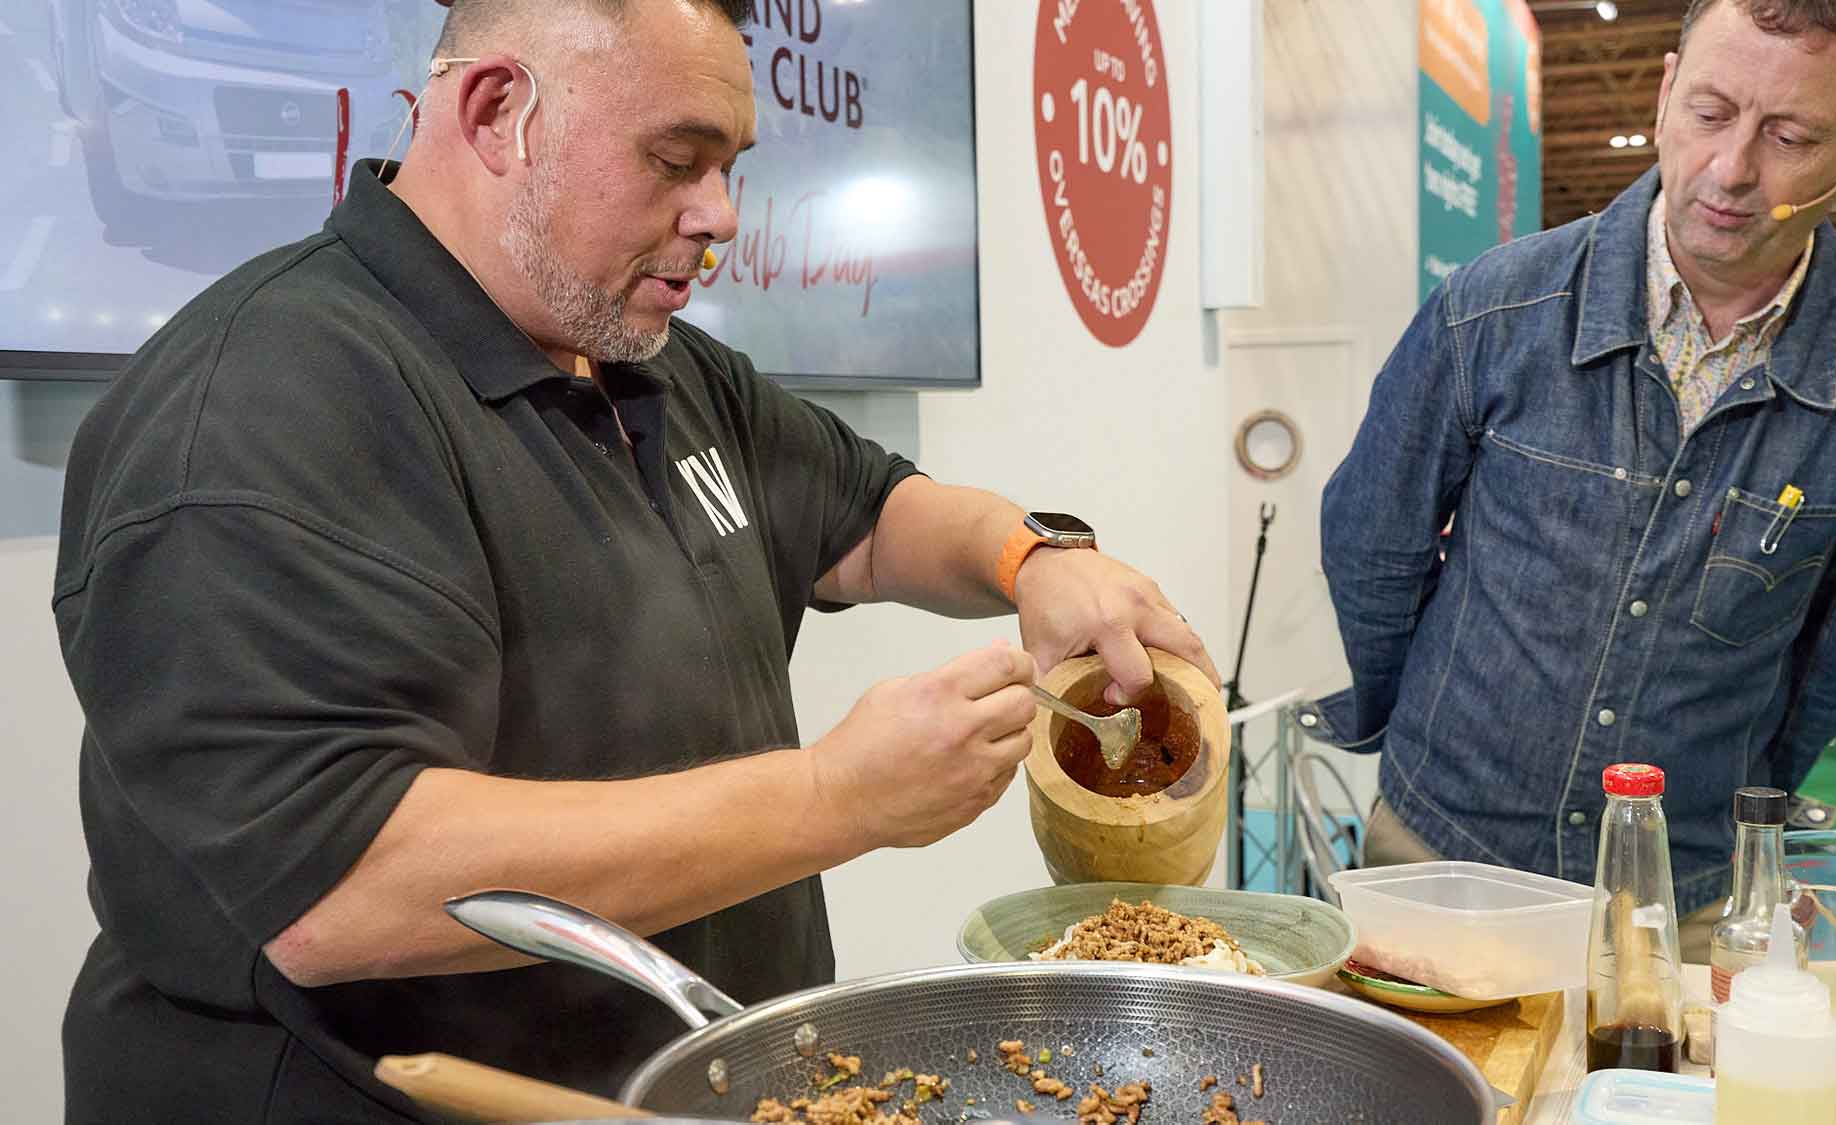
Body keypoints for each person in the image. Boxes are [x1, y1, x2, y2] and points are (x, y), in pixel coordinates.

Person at [50, 1, 1217, 1120]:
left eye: (730, 168)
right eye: (674, 160)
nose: (720, 215)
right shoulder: (264, 404)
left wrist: (1033, 560)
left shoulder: (643, 359)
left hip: (688, 1077)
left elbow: (868, 514)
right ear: (497, 113)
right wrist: (837, 798)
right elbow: (346, 884)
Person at [1315, 0, 1836, 961]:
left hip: (1689, 897)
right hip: (1440, 853)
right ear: (1665, 91)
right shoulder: (1493, 309)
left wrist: (1750, 790)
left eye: (1791, 137)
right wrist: (1416, 724)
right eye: (1710, 111)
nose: (1731, 169)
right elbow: (1372, 544)